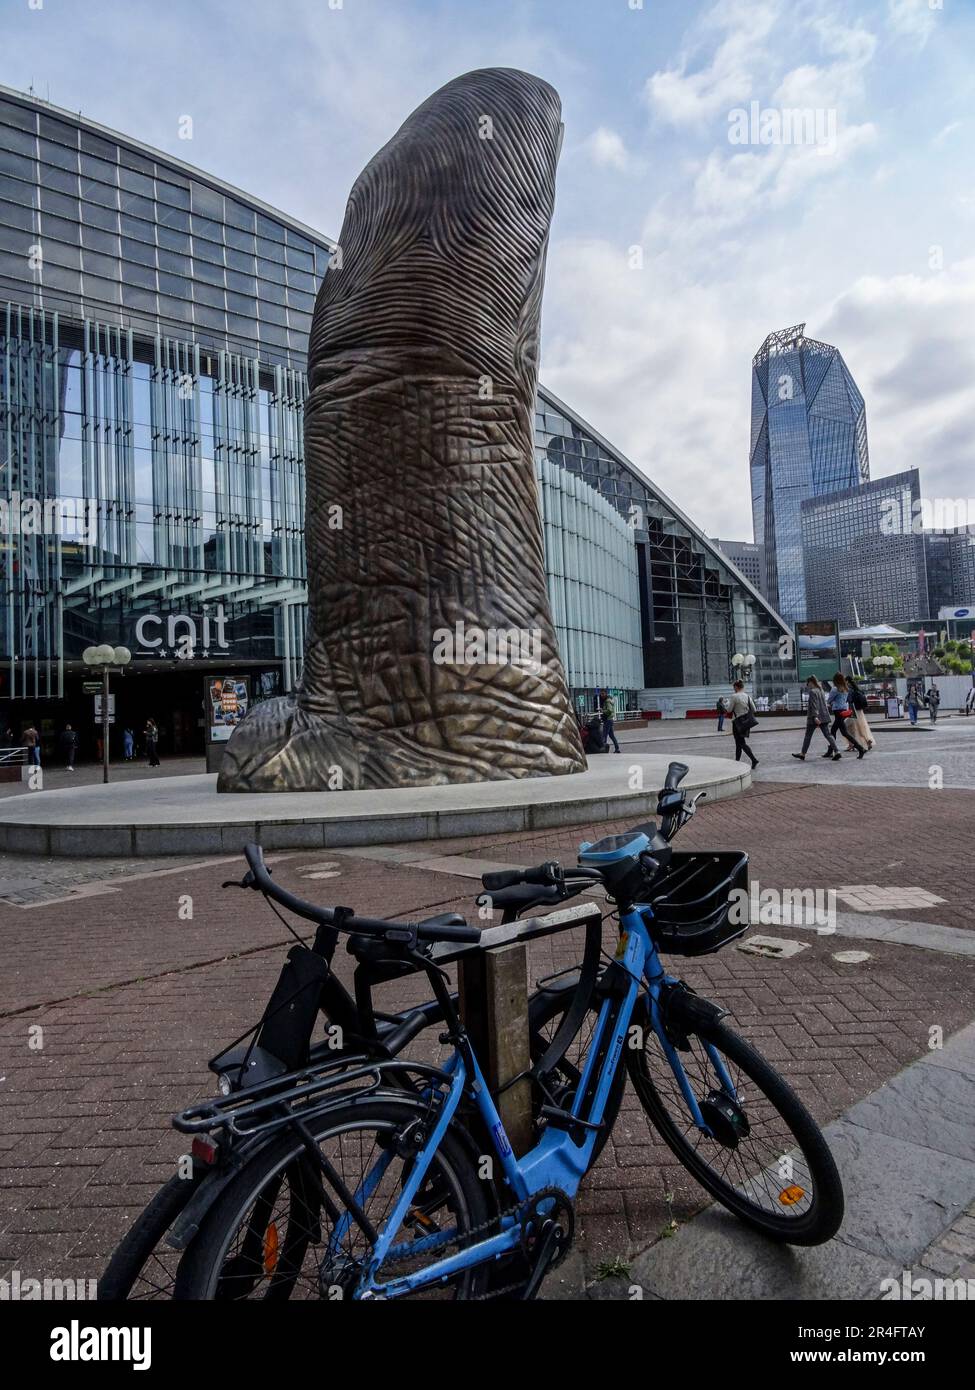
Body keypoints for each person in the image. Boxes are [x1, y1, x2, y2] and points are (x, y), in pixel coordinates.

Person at [792, 677, 841, 761]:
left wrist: (815, 716)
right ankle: (837, 751)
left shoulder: (813, 691)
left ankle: (803, 754)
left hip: (814, 718)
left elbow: (814, 705)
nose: (808, 686)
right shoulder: (821, 690)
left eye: (807, 684)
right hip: (824, 716)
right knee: (828, 735)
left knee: (808, 736)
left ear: (811, 682)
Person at [827, 673, 866, 758]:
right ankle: (830, 751)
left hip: (837, 711)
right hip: (844, 711)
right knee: (835, 731)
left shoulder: (835, 689)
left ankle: (860, 748)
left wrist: (831, 702)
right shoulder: (846, 688)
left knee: (842, 732)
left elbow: (829, 700)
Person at [727, 680, 759, 768]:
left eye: (734, 687)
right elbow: (754, 710)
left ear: (736, 687)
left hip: (737, 722)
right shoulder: (747, 696)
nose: (734, 689)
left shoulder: (734, 696)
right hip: (746, 722)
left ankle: (754, 759)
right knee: (739, 743)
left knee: (741, 743)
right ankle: (737, 761)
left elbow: (729, 710)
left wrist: (728, 704)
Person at [848, 677, 875, 750]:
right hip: (859, 711)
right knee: (861, 727)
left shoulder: (849, 690)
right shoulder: (857, 689)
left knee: (850, 728)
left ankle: (851, 745)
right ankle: (867, 739)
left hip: (852, 710)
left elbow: (849, 700)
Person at [599, 689, 621, 753]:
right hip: (610, 719)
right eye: (601, 694)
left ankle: (603, 749)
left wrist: (602, 710)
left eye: (603, 693)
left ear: (606, 694)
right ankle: (617, 749)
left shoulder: (607, 701)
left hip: (608, 720)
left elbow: (609, 710)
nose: (601, 695)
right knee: (611, 735)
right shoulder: (609, 700)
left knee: (604, 735)